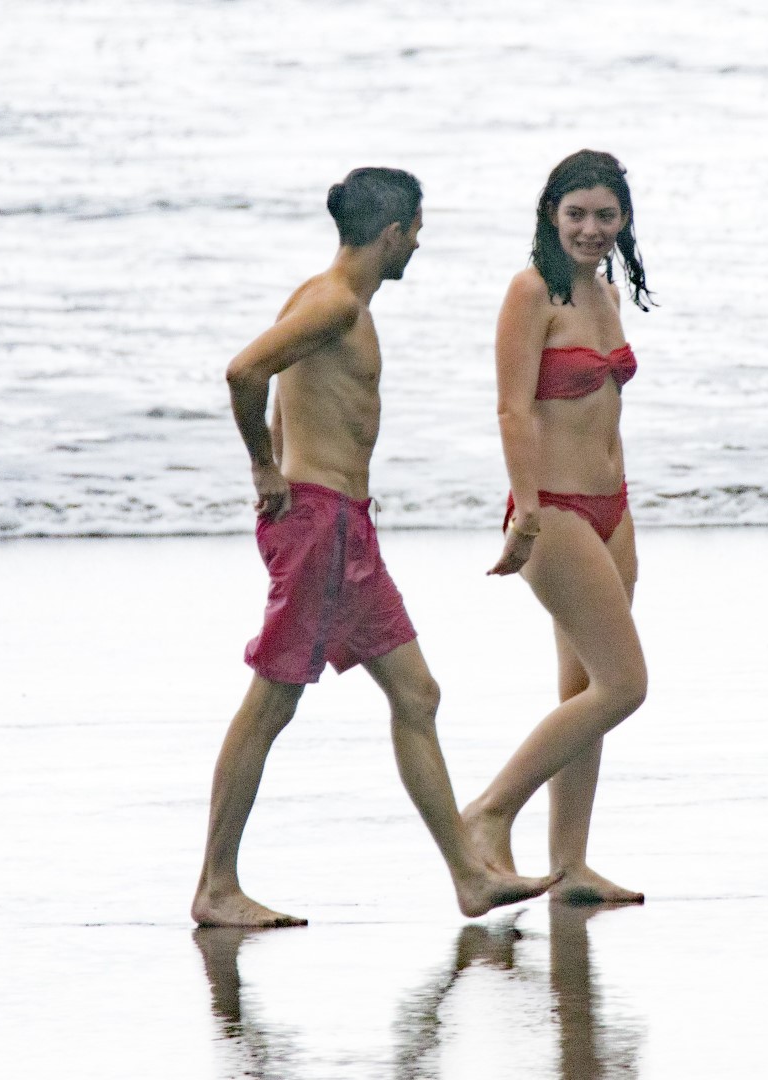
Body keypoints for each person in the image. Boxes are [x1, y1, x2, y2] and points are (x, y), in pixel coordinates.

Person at [191, 167, 556, 928]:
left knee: (417, 695)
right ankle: (217, 887)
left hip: (343, 526)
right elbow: (244, 371)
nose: (419, 242)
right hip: (320, 527)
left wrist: (285, 462)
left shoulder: (325, 299)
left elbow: (284, 385)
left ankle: (469, 877)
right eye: (416, 229)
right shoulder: (334, 303)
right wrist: (267, 469)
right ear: (392, 233)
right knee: (272, 700)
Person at [465, 150, 653, 905]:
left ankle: (570, 865)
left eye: (606, 215)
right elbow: (513, 409)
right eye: (576, 213)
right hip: (554, 510)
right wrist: (527, 511)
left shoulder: (606, 293)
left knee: (583, 690)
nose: (591, 228)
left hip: (613, 510)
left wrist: (619, 505)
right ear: (551, 214)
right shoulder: (530, 291)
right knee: (624, 686)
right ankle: (488, 813)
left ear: (624, 219)